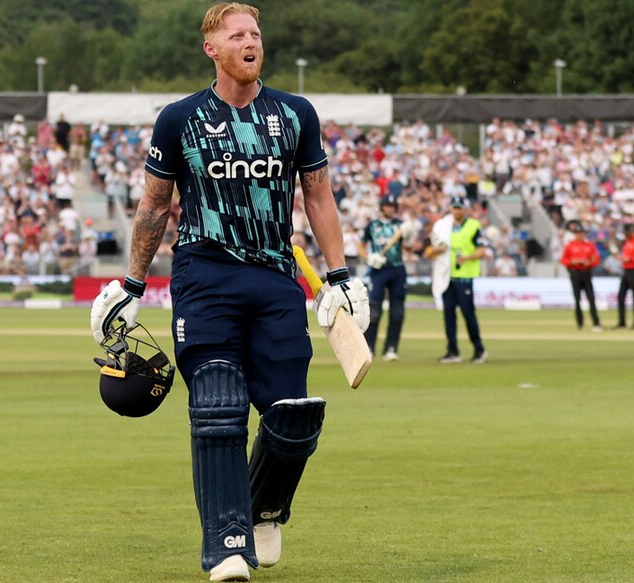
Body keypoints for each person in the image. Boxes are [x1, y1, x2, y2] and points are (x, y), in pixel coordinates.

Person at [89, 4, 369, 581]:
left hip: (275, 277)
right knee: (217, 405)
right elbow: (153, 206)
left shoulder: (295, 113)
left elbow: (317, 194)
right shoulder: (179, 118)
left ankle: (264, 508)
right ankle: (226, 543)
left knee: (294, 416)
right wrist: (131, 282)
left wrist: (340, 277)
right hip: (204, 276)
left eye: (256, 34)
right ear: (211, 49)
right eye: (237, 34)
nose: (251, 42)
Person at [424, 196, 487, 364]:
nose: (457, 211)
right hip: (447, 276)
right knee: (448, 315)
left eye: (459, 208)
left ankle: (479, 349)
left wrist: (466, 258)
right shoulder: (445, 227)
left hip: (464, 276)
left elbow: (482, 251)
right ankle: (453, 350)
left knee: (468, 314)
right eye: (454, 208)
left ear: (465, 209)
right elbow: (437, 246)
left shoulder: (473, 226)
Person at [359, 195, 416, 361]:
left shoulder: (400, 226)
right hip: (379, 270)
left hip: (397, 269)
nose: (390, 208)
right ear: (382, 207)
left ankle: (391, 348)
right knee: (374, 311)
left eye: (392, 206)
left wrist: (409, 237)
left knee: (397, 312)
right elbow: (361, 246)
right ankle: (368, 347)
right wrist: (368, 258)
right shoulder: (373, 226)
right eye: (387, 205)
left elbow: (408, 249)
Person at [560, 220, 603, 331]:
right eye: (578, 233)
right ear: (575, 234)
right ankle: (580, 323)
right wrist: (572, 262)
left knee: (591, 299)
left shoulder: (589, 245)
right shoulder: (570, 246)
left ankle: (596, 322)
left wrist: (589, 263)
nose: (580, 235)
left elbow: (596, 259)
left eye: (582, 233)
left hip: (586, 273)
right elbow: (564, 260)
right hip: (575, 273)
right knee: (577, 299)